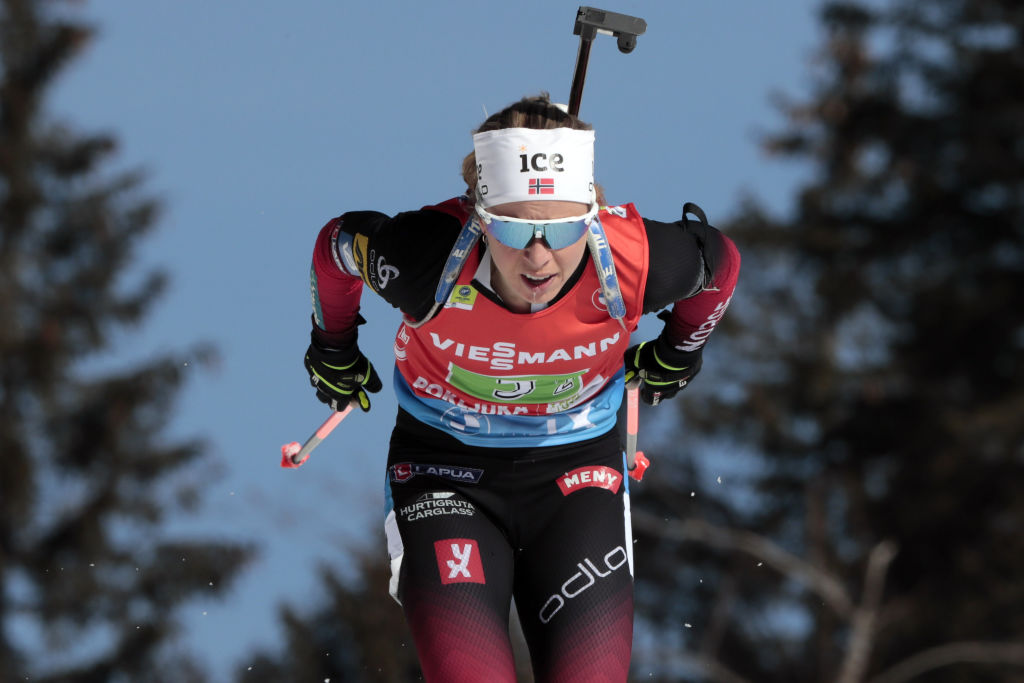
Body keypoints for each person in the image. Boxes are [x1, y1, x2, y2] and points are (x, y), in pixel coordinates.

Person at [303, 94, 740, 682]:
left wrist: (678, 351)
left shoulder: (634, 261)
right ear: (478, 216)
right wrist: (333, 347)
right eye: (512, 228)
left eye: (562, 229)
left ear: (590, 214)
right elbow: (339, 244)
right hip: (444, 473)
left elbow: (722, 262)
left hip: (578, 476)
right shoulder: (426, 258)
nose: (539, 256)